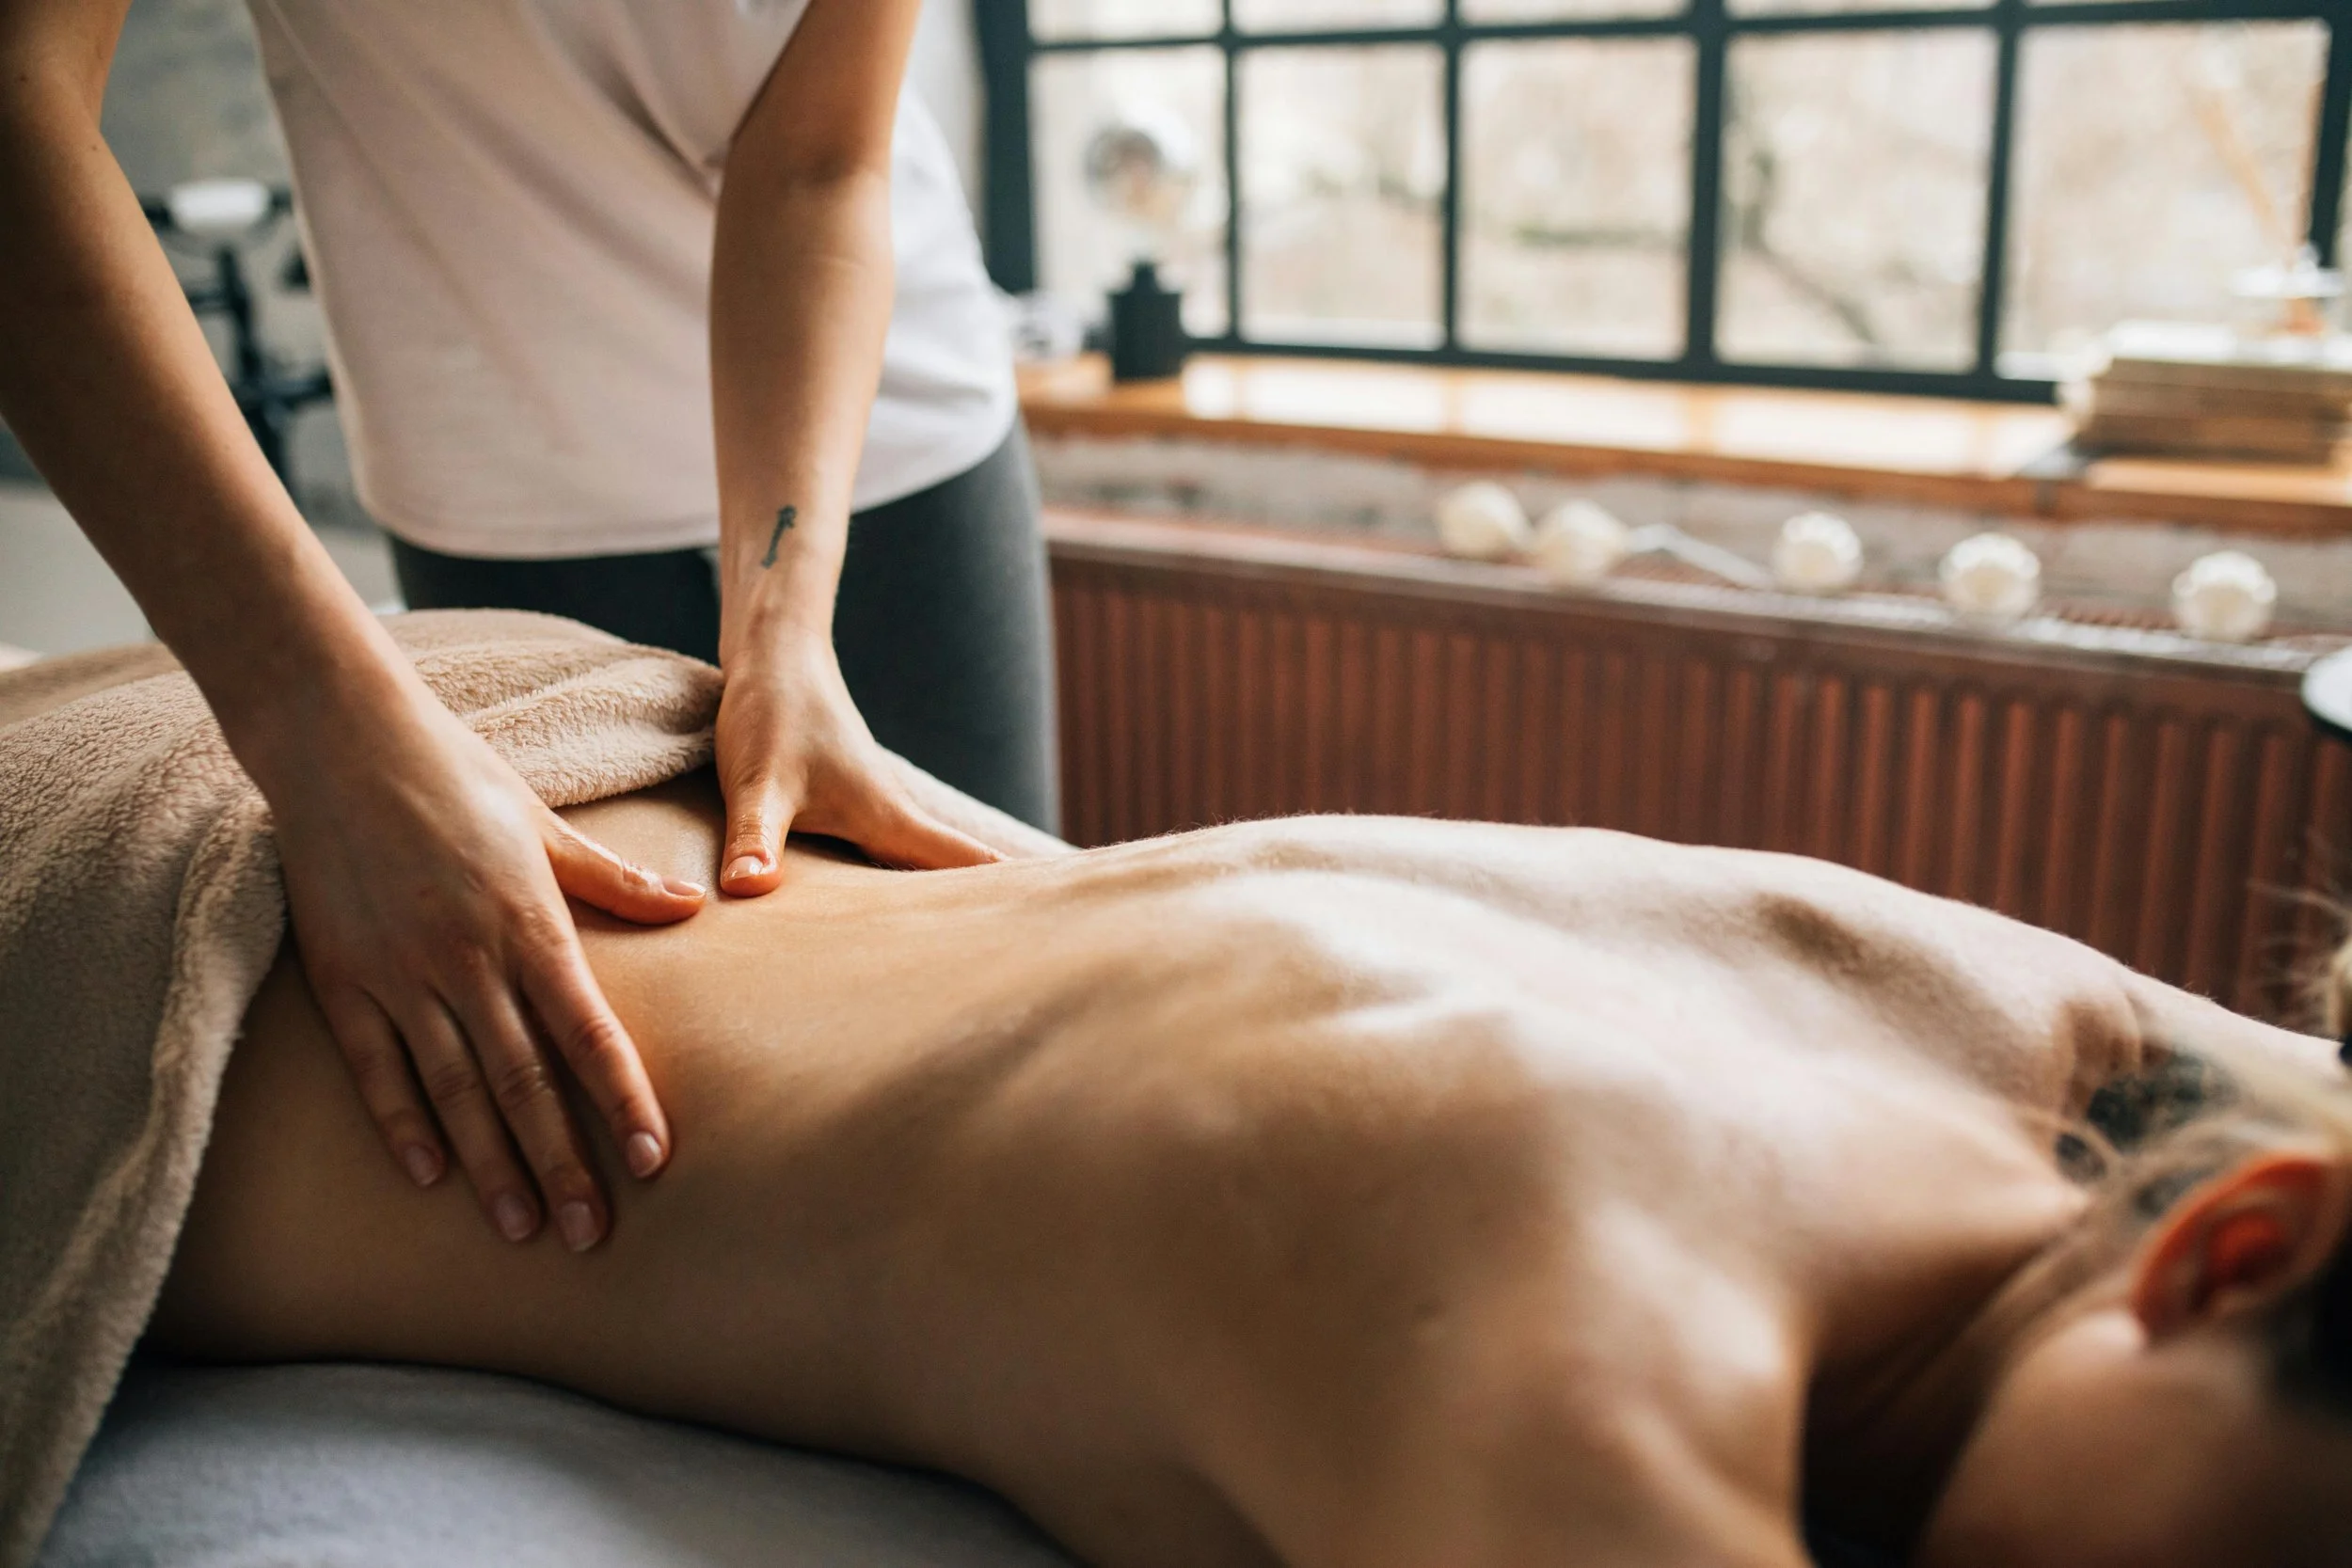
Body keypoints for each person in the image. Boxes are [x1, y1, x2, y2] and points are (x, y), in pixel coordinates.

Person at [153, 766, 2352, 1568]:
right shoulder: (1571, 1299)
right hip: (148, 957)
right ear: (2231, 1255)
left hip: (573, 743)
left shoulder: (2014, 1021)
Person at [0, 0, 1053, 1255]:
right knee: (632, 1154)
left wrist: (788, 627)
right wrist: (318, 734)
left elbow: (820, 161)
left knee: (1002, 1053)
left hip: (880, 447)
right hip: (499, 474)